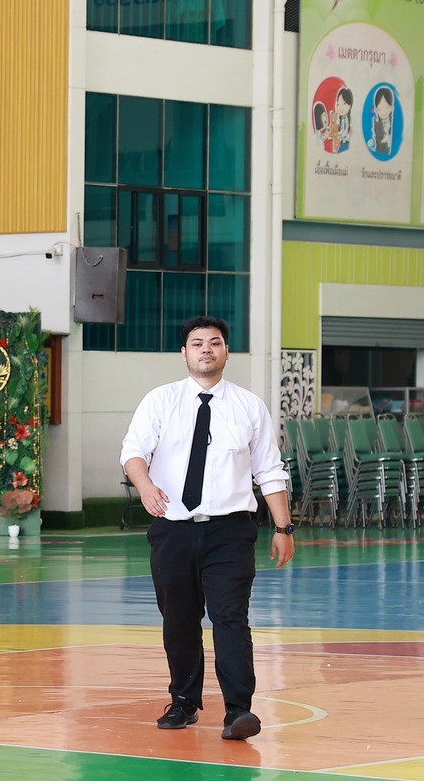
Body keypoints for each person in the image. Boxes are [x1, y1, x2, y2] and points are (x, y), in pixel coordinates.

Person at [121, 315, 295, 742]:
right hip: (173, 530)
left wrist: (284, 527)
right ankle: (183, 701)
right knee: (179, 620)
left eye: (214, 343)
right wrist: (145, 486)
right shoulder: (160, 401)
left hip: (230, 532)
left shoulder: (249, 406)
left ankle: (239, 710)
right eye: (197, 343)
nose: (206, 350)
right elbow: (133, 451)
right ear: (184, 353)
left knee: (230, 617)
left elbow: (269, 469)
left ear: (226, 352)